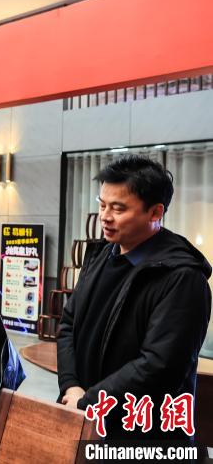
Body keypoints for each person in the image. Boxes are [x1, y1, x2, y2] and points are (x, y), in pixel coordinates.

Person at [57, 155, 211, 441]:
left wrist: (88, 401)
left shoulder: (182, 277)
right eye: (102, 205)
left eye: (118, 208)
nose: (105, 216)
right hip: (85, 416)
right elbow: (68, 324)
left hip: (141, 435)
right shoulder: (101, 255)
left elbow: (159, 366)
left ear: (155, 213)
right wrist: (70, 386)